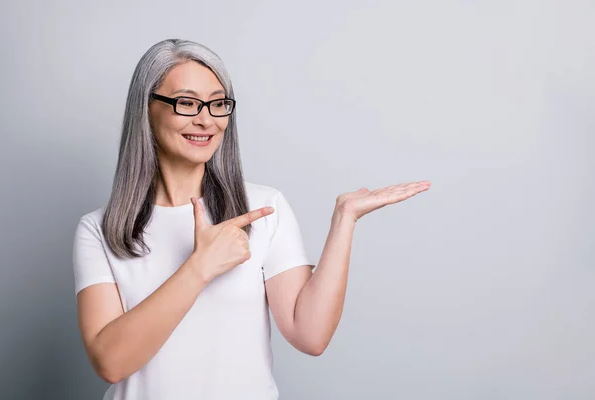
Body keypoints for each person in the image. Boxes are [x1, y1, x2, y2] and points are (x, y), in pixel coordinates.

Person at [72, 38, 431, 400]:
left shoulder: (263, 207)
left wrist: (345, 220)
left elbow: (310, 335)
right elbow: (110, 363)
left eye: (218, 103)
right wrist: (199, 268)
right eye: (186, 102)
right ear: (147, 108)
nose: (206, 119)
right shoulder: (100, 230)